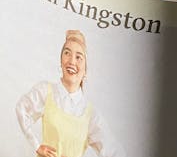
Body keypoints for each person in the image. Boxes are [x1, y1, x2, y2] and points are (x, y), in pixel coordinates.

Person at [16, 29, 125, 157]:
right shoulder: (46, 91)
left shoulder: (91, 114)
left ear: (85, 70)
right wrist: (36, 146)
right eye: (67, 53)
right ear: (61, 61)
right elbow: (21, 108)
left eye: (79, 57)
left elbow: (113, 151)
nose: (72, 61)